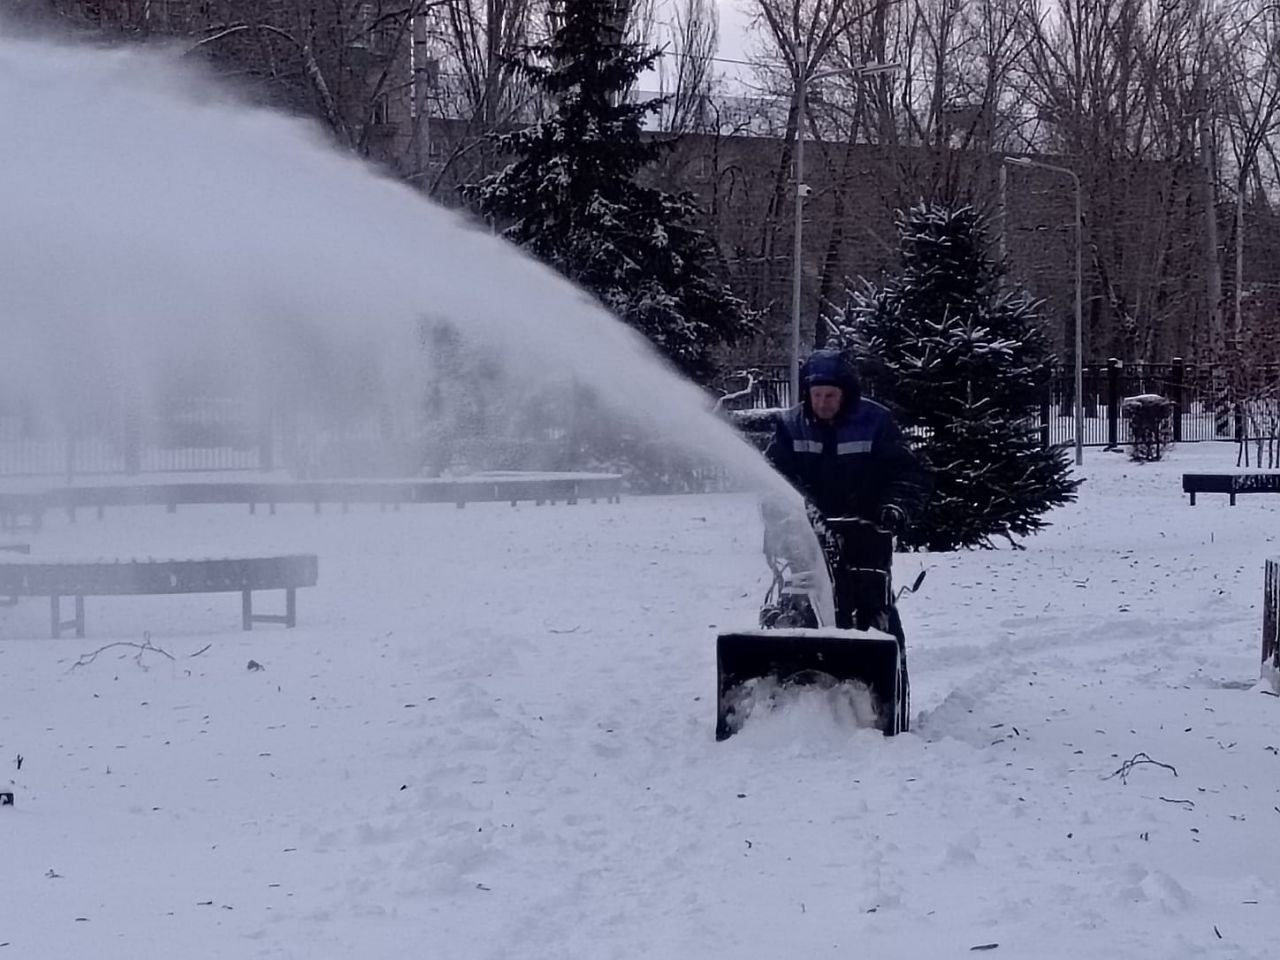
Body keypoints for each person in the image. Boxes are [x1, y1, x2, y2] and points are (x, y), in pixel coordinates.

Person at [765, 349, 929, 535]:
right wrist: (784, 513)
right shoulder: (791, 426)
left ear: (845, 395)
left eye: (830, 396)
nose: (821, 403)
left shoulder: (875, 422)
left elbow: (906, 472)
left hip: (866, 531)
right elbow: (773, 476)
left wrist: (895, 506)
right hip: (805, 534)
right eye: (816, 395)